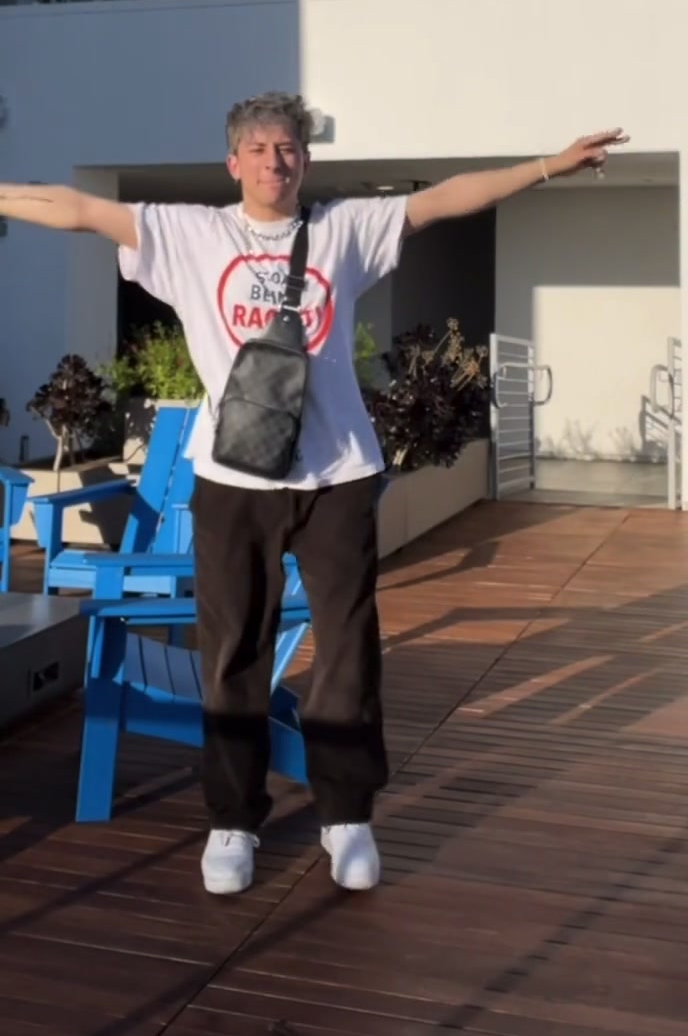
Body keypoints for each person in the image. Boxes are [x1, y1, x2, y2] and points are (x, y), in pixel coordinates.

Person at [0, 93, 627, 895]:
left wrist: (548, 166)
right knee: (235, 651)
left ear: (306, 159)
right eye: (260, 149)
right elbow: (78, 209)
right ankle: (232, 822)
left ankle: (347, 815)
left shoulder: (344, 230)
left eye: (289, 148)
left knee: (348, 647)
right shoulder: (189, 233)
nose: (275, 161)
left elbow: (446, 198)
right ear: (234, 162)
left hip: (338, 476)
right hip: (233, 478)